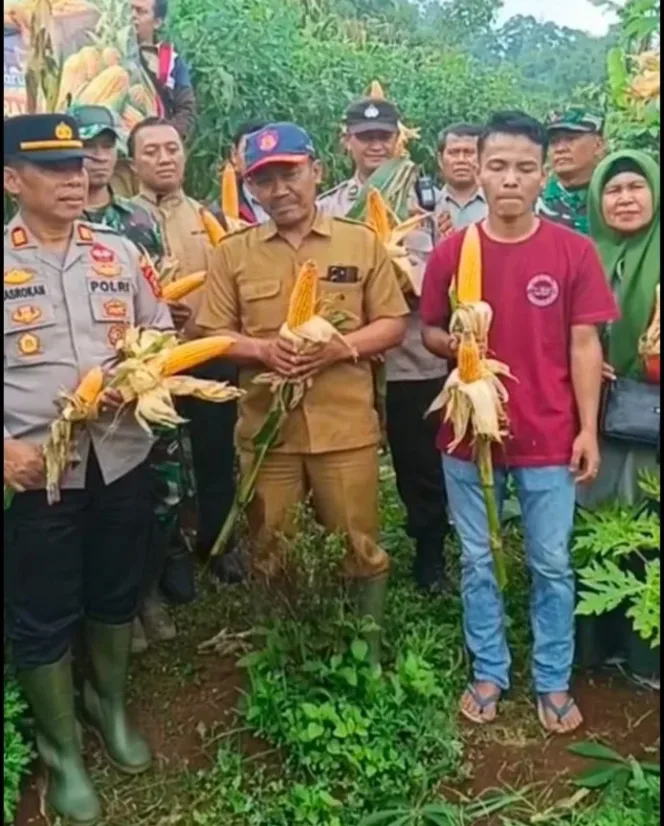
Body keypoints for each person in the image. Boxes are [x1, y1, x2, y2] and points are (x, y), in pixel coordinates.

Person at [420, 111, 619, 734]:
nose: (510, 179)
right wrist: (459, 345)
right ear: (476, 171)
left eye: (524, 168)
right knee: (478, 558)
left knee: (551, 562)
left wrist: (587, 430)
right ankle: (490, 668)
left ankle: (553, 676)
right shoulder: (455, 251)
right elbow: (426, 331)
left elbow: (585, 346)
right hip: (467, 435)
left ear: (543, 177)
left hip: (549, 433)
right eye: (498, 166)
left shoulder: (572, 250)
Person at [3, 113, 172, 824]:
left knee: (114, 587)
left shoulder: (118, 254)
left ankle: (108, 703)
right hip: (35, 469)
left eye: (80, 166)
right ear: (12, 180)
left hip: (121, 458)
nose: (76, 179)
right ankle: (61, 749)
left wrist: (143, 375)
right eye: (55, 169)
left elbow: (159, 334)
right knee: (41, 607)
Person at [196, 122, 408, 660]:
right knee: (271, 546)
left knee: (358, 544)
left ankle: (367, 652)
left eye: (290, 173)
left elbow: (391, 324)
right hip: (270, 432)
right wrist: (263, 351)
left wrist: (339, 348)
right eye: (263, 180)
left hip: (344, 427)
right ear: (251, 188)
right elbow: (211, 335)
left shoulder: (359, 242)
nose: (280, 189)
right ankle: (282, 652)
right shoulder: (233, 253)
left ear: (316, 171)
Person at [70, 104, 189, 653]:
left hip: (141, 385)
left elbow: (156, 295)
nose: (96, 156)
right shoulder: (38, 220)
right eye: (85, 145)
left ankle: (142, 594)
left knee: (160, 493)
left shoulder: (137, 224)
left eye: (104, 144)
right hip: (73, 400)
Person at [319, 97, 449, 592]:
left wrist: (405, 282)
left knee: (421, 465)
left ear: (398, 139)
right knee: (344, 466)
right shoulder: (330, 207)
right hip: (349, 361)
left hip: (412, 359)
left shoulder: (426, 206)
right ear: (346, 140)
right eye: (365, 136)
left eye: (384, 137)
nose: (376, 145)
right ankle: (348, 556)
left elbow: (438, 280)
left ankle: (429, 556)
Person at [130, 117, 242, 583]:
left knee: (216, 454)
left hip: (206, 352)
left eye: (172, 149)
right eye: (151, 151)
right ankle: (167, 557)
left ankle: (218, 544)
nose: (164, 158)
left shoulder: (207, 215)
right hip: (147, 366)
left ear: (184, 153)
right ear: (132, 162)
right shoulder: (121, 220)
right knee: (156, 464)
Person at [577, 150, 660, 509]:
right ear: (598, 200)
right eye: (613, 191)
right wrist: (585, 357)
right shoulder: (582, 256)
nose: (625, 199)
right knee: (599, 505)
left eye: (636, 187)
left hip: (652, 404)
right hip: (595, 408)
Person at [131, 0, 196, 141]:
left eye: (140, 11)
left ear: (157, 22)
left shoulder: (170, 61)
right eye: (129, 9)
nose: (132, 16)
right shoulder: (109, 52)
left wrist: (164, 138)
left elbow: (186, 110)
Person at [538, 107, 605, 235]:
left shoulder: (614, 198)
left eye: (571, 139)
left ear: (598, 145)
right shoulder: (534, 203)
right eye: (553, 142)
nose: (560, 149)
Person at [434, 123, 487, 240]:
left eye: (469, 152)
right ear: (440, 160)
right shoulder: (427, 207)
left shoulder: (496, 206)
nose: (461, 160)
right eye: (453, 153)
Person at [229, 119, 270, 224]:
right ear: (234, 155)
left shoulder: (298, 202)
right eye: (249, 150)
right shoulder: (218, 212)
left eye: (264, 151)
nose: (257, 158)